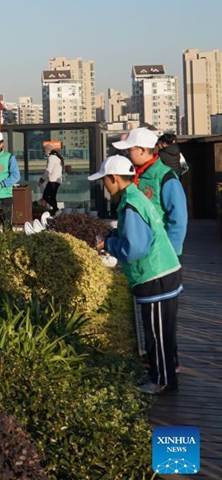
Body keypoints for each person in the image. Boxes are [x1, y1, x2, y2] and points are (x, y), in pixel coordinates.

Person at [90, 155, 183, 395]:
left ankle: (162, 380)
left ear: (114, 179)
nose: (105, 187)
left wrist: (109, 244)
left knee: (157, 334)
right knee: (163, 331)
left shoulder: (130, 205)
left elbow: (136, 249)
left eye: (105, 181)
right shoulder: (134, 197)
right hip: (162, 273)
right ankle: (160, 372)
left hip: (155, 277)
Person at [113, 127, 188, 373]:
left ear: (143, 151)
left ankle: (167, 368)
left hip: (160, 260)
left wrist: (172, 252)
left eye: (130, 150)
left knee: (163, 321)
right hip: (145, 261)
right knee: (154, 321)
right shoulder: (135, 175)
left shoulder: (165, 177)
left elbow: (179, 219)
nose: (126, 155)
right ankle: (156, 364)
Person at [38, 144, 64, 213]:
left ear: (48, 151)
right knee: (52, 197)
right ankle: (56, 212)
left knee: (45, 196)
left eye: (44, 151)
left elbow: (48, 170)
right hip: (57, 181)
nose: (44, 153)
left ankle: (57, 210)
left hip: (53, 181)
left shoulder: (51, 158)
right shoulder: (57, 157)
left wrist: (42, 180)